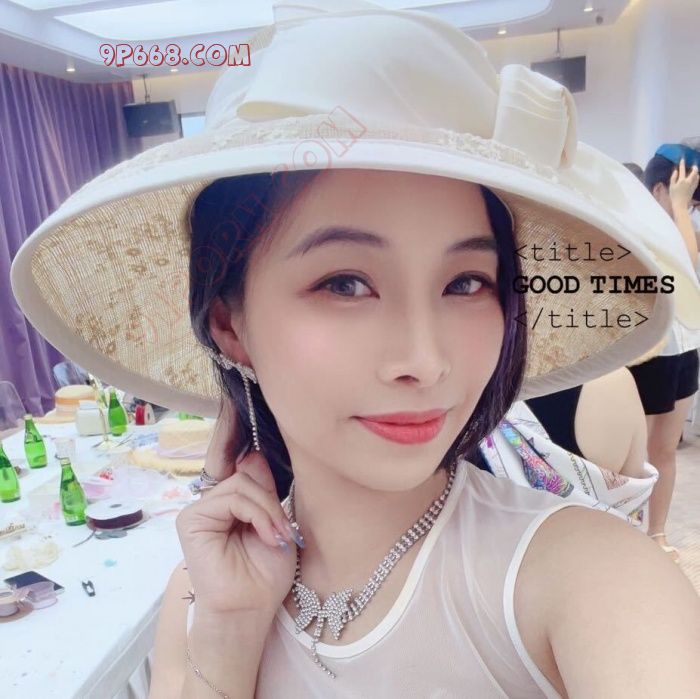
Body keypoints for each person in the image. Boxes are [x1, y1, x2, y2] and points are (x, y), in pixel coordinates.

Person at [8, 1, 700, 697]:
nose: (424, 360)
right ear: (230, 325)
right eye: (345, 283)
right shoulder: (201, 595)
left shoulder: (591, 579)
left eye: (466, 282)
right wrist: (229, 635)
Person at [627, 144, 700, 562]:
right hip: (649, 351)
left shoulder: (681, 226)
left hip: (685, 349)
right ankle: (624, 533)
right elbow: (684, 268)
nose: (690, 209)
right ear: (660, 189)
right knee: (631, 454)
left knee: (665, 450)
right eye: (686, 198)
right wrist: (679, 206)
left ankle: (656, 532)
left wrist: (682, 210)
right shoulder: (639, 225)